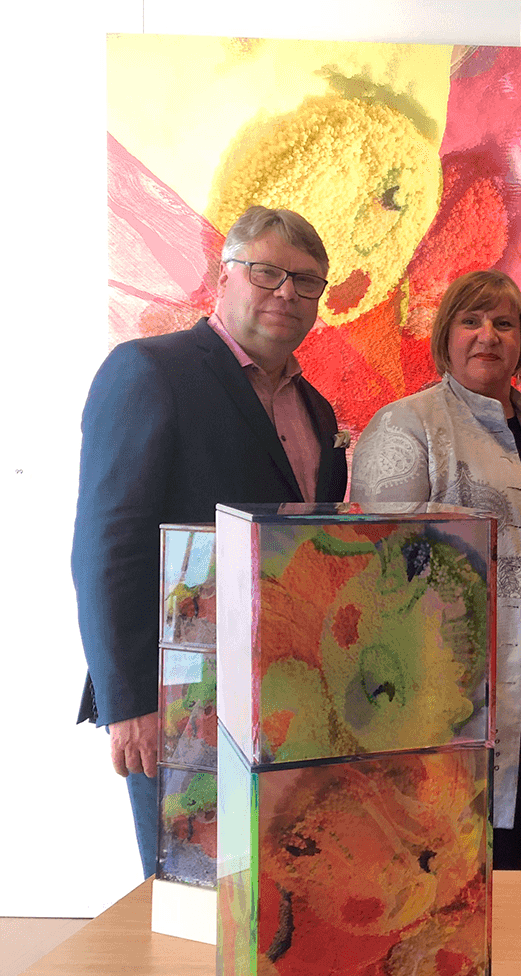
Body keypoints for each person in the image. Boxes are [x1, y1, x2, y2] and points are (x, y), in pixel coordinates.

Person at [73, 206, 348, 878]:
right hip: (180, 702)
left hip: (286, 699)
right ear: (224, 277)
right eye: (267, 272)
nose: (287, 292)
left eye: (306, 281)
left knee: (278, 887)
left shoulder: (318, 411)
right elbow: (107, 546)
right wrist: (130, 703)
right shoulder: (149, 370)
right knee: (195, 894)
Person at [350, 269, 521, 870]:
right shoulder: (407, 425)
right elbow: (379, 574)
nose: (488, 335)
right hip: (447, 684)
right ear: (445, 337)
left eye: (504, 323)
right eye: (471, 321)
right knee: (452, 852)